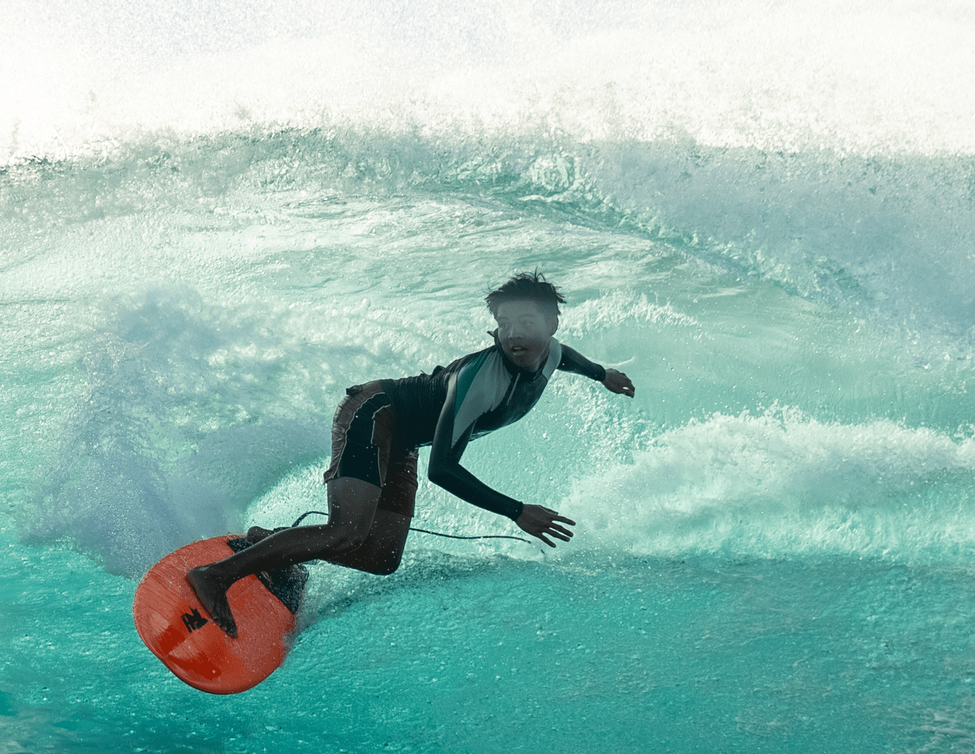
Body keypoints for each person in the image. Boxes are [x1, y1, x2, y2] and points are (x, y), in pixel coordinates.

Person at [184, 272, 636, 637]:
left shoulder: (551, 352)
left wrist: (602, 373)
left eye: (529, 325)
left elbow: (565, 357)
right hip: (373, 414)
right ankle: (217, 575)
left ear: (551, 326)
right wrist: (516, 511)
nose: (516, 335)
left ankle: (274, 544)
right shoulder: (480, 380)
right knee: (347, 533)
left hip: (401, 440)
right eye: (506, 325)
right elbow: (443, 469)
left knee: (381, 557)